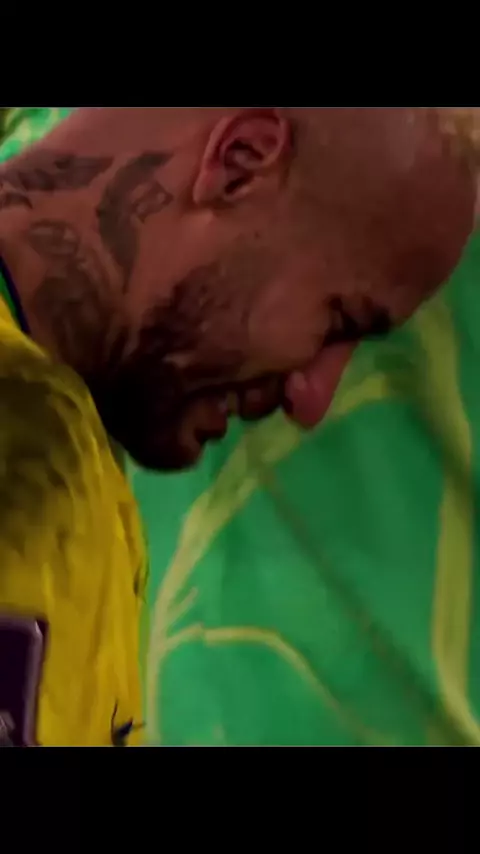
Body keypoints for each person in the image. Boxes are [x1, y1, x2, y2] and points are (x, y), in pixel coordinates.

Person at [0, 107, 478, 747]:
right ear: (240, 161)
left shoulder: (80, 477)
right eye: (339, 320)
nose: (313, 400)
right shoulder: (31, 450)